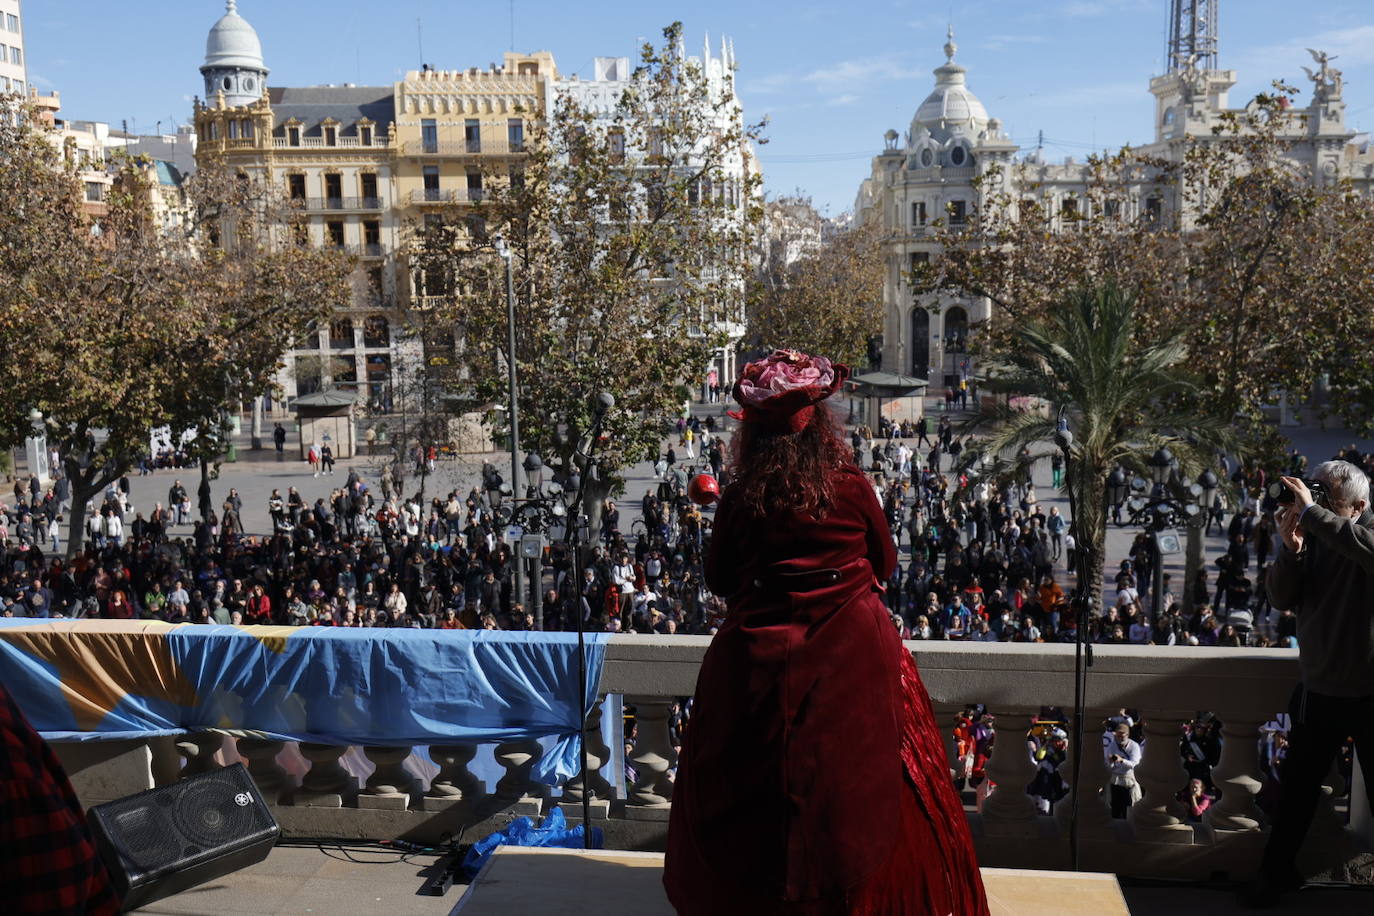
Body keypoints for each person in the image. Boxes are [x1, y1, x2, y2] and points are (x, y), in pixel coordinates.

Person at [664, 349, 987, 914]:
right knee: (870, 774)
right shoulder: (851, 484)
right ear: (821, 425)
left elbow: (718, 577)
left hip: (757, 653)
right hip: (852, 649)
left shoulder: (742, 495)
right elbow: (885, 563)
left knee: (748, 778)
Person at [1243, 463, 1374, 907]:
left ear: (1358, 508)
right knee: (1296, 795)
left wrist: (1315, 515)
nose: (1312, 505)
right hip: (1318, 691)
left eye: (1326, 501)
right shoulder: (1315, 535)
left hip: (1370, 692)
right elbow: (1280, 599)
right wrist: (1291, 549)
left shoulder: (1364, 534)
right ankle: (1274, 874)